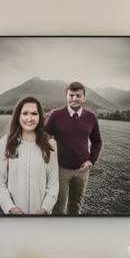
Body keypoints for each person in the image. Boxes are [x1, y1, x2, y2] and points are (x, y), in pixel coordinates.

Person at [0, 97, 58, 215]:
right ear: (18, 116)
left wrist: (44, 209)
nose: (29, 118)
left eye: (34, 113)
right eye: (25, 113)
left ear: (40, 117)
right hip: (14, 218)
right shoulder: (5, 143)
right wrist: (11, 208)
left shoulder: (50, 145)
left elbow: (53, 184)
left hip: (41, 218)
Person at [45, 81, 102, 215]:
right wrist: (49, 143)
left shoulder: (91, 117)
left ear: (84, 97)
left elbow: (97, 141)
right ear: (66, 96)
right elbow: (44, 137)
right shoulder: (55, 115)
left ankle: (74, 231)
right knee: (58, 207)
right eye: (71, 95)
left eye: (78, 95)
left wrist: (91, 161)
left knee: (76, 206)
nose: (74, 99)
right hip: (60, 170)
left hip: (82, 171)